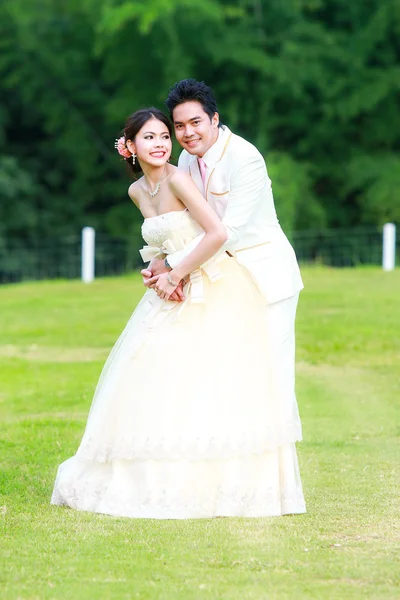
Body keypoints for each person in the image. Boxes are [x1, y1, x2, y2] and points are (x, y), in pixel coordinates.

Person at [51, 106, 306, 519]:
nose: (166, 142)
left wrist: (175, 271)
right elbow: (163, 241)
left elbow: (221, 231)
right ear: (130, 147)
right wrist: (157, 267)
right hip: (182, 278)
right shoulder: (141, 190)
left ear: (214, 119)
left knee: (228, 378)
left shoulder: (214, 165)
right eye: (154, 136)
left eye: (165, 136)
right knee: (151, 371)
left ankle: (243, 481)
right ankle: (149, 474)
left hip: (226, 278)